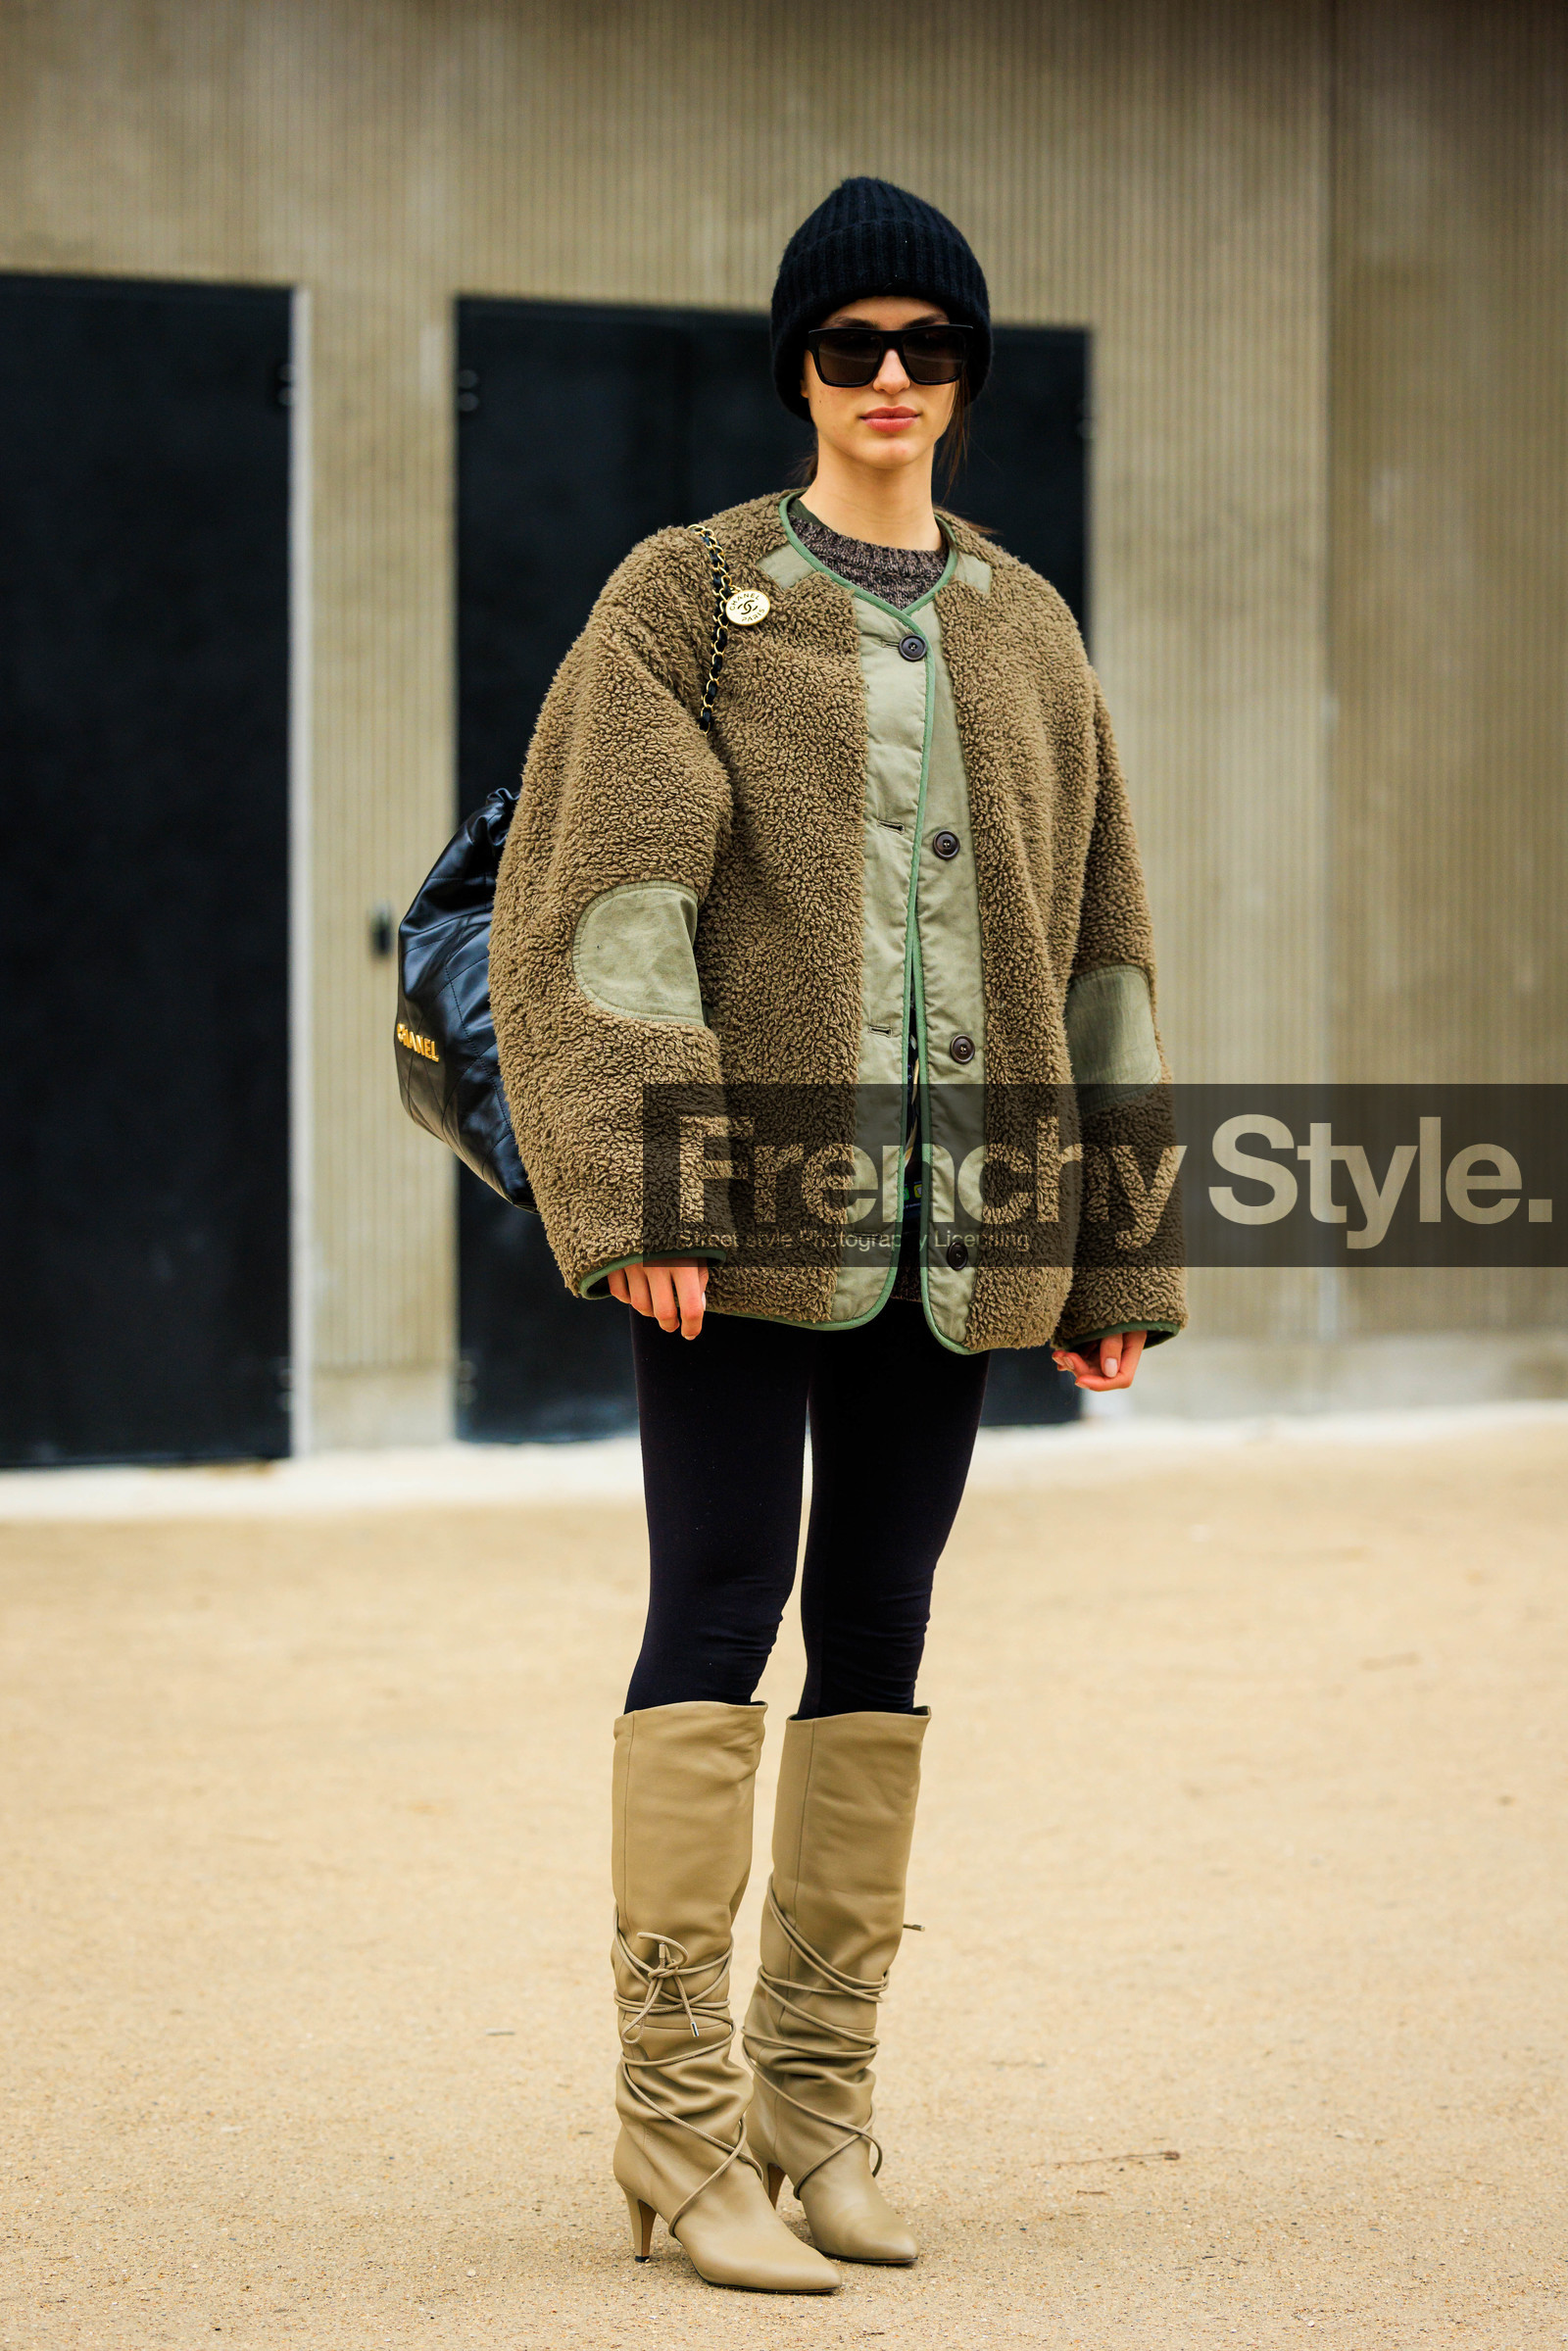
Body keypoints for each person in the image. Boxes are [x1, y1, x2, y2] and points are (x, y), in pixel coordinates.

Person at [490, 176, 1186, 2295]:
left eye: (929, 348)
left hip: (956, 1227)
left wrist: (1110, 1254)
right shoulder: (680, 601)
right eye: (848, 346)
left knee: (876, 1644)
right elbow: (603, 906)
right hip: (741, 1215)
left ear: (968, 375)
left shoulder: (1025, 623)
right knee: (715, 1617)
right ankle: (672, 2137)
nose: (889, 383)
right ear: (794, 367)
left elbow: (1096, 953)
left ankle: (814, 2116)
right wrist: (654, 1181)